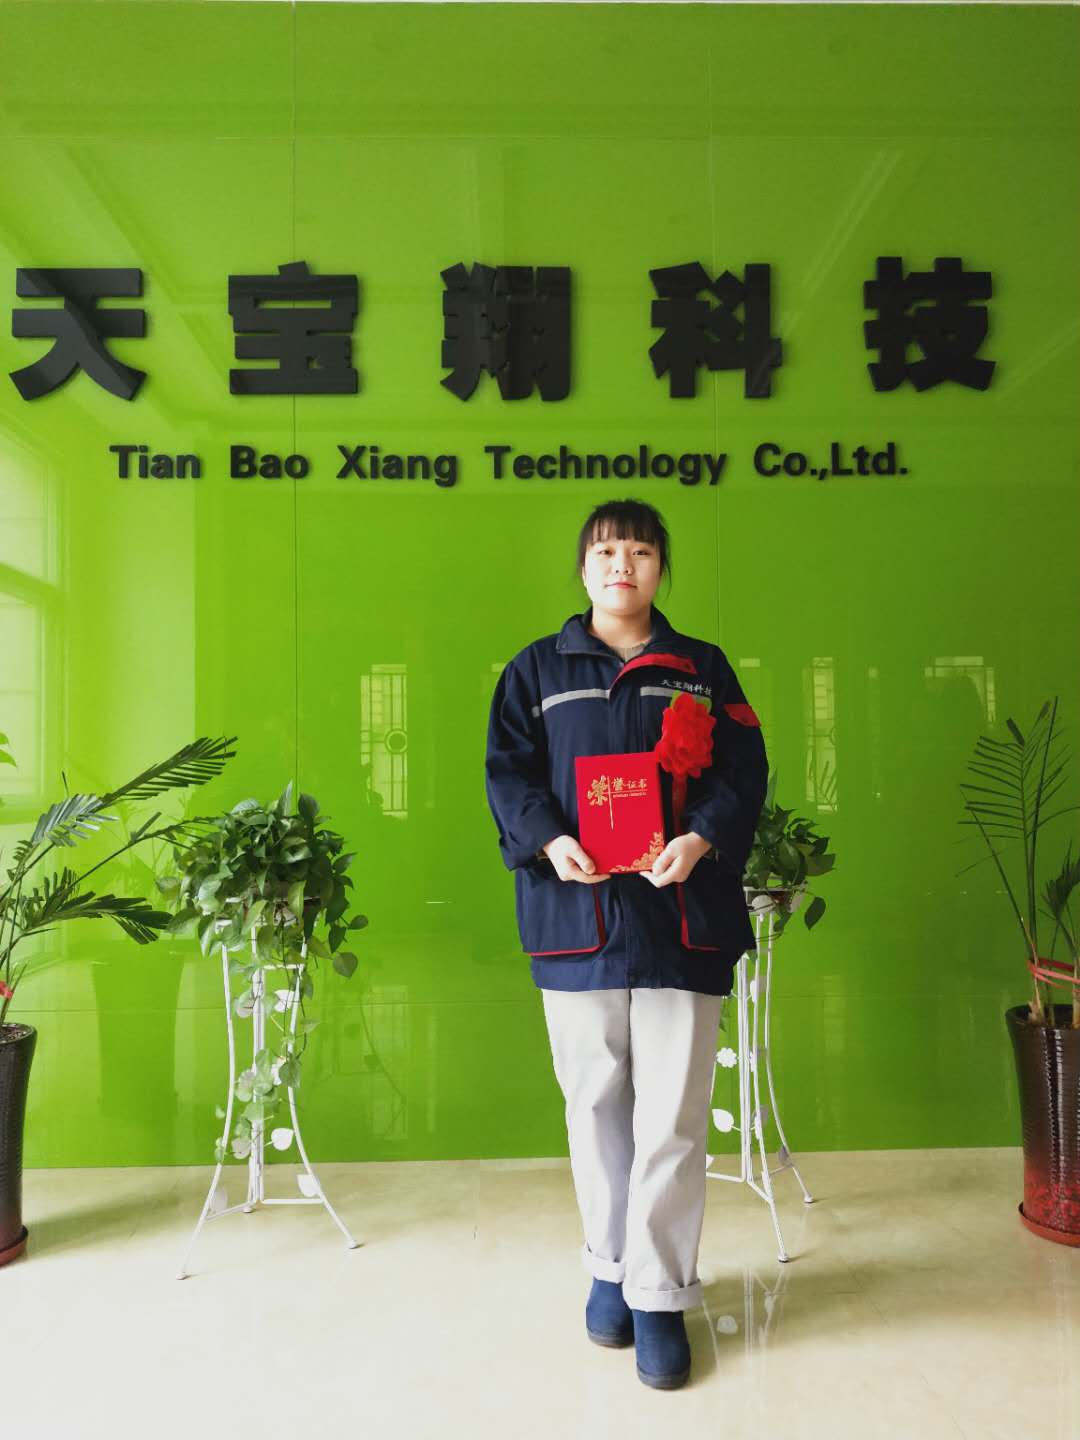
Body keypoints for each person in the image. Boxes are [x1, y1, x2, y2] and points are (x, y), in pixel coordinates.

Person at [484, 497, 769, 1390]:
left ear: (659, 569)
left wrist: (704, 837)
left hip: (683, 917)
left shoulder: (703, 669)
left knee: (674, 1113)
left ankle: (658, 1295)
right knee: (595, 1103)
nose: (622, 565)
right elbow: (508, 774)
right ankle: (610, 1270)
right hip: (576, 919)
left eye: (640, 552)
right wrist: (548, 839)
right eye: (607, 551)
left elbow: (744, 769)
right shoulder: (535, 671)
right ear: (583, 569)